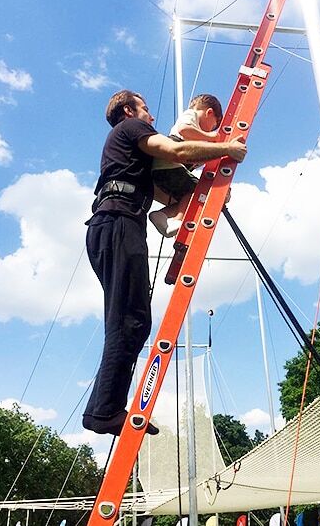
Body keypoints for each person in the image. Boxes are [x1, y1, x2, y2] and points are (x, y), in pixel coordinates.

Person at [83, 90, 246, 436]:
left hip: (117, 223)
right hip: (118, 222)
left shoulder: (130, 154)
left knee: (132, 321)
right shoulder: (129, 129)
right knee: (130, 320)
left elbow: (162, 180)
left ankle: (100, 409)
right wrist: (226, 148)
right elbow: (176, 150)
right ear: (129, 110)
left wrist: (195, 198)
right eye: (146, 109)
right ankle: (105, 412)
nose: (152, 117)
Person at [149, 94, 223, 237]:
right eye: (213, 126)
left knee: (189, 197)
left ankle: (161, 215)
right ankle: (177, 220)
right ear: (209, 113)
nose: (209, 131)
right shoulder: (191, 114)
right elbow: (185, 129)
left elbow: (196, 157)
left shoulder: (194, 132)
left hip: (166, 168)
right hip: (168, 163)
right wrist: (211, 137)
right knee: (198, 190)